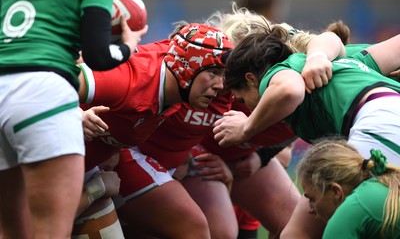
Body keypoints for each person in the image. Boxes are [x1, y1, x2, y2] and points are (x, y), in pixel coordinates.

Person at [0, 0, 146, 238]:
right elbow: (98, 56)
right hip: (42, 93)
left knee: (11, 230)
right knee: (51, 230)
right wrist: (128, 46)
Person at [77, 22, 234, 239]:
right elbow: (50, 81)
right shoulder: (130, 79)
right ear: (186, 67)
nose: (220, 85)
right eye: (214, 72)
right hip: (47, 164)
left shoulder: (176, 73)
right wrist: (73, 114)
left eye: (223, 75)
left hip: (88, 167)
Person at [213, 30, 400, 163]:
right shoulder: (341, 64)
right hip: (386, 113)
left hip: (377, 118)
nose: (246, 107)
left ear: (251, 79)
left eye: (242, 99)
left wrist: (246, 128)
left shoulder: (279, 72)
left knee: (325, 191)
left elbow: (290, 91)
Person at [297, 139, 400, 238]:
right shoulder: (380, 187)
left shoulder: (350, 210)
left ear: (336, 192)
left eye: (312, 199)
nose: (310, 209)